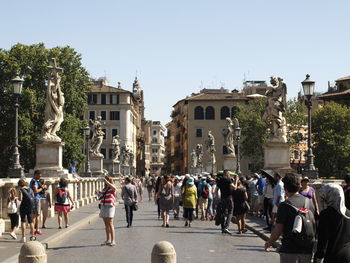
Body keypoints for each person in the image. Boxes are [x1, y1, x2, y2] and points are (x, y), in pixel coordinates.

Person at [265, 173, 315, 263]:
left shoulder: (284, 205)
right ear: (299, 186)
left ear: (285, 188)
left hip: (289, 249)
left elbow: (278, 229)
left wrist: (269, 242)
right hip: (306, 249)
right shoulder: (309, 202)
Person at [314, 183, 350, 263]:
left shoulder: (326, 214)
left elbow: (323, 240)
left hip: (332, 256)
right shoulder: (348, 213)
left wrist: (319, 257)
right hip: (347, 255)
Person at [215, 170, 237, 234]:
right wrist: (236, 181)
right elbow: (234, 188)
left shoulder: (219, 181)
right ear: (227, 174)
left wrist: (217, 198)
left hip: (222, 198)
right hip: (229, 198)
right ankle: (226, 227)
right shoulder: (228, 180)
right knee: (230, 212)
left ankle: (222, 228)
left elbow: (216, 190)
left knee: (222, 212)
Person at [98, 176, 117, 246]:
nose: (105, 182)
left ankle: (113, 240)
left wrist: (107, 182)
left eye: (107, 180)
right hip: (103, 205)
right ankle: (108, 239)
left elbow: (114, 188)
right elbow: (100, 196)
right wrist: (98, 193)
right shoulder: (104, 189)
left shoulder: (112, 187)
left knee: (110, 223)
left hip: (110, 206)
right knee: (106, 224)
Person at [30, 170, 47, 235]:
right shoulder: (35, 182)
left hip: (33, 199)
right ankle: (37, 229)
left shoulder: (33, 181)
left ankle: (33, 230)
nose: (40, 176)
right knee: (37, 215)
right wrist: (42, 188)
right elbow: (36, 190)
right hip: (36, 199)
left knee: (34, 215)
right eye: (39, 175)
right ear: (35, 175)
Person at [18, 179, 35, 243]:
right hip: (30, 207)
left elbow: (20, 199)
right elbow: (33, 196)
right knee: (31, 222)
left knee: (23, 221)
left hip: (23, 206)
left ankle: (23, 237)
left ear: (19, 185)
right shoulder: (30, 189)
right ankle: (33, 236)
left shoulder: (21, 190)